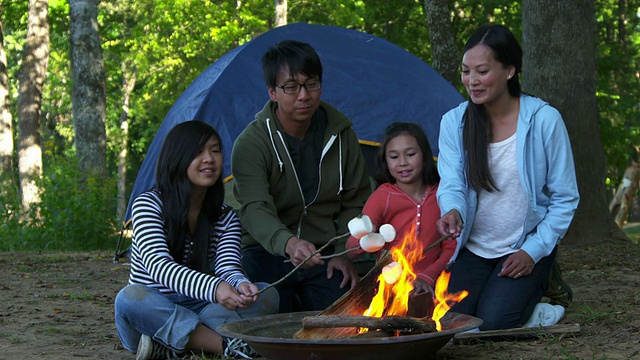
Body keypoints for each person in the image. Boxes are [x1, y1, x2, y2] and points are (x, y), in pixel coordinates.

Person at [436, 24, 580, 330]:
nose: (472, 81)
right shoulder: (454, 123)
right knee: (449, 322)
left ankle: (543, 293)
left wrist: (533, 250)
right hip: (475, 248)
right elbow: (452, 185)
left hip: (525, 246)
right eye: (465, 72)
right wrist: (452, 210)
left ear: (510, 70)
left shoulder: (544, 120)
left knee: (495, 322)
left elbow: (565, 197)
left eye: (482, 71)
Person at [114, 121, 279, 360]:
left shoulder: (225, 217)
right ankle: (226, 346)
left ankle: (173, 346)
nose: (209, 159)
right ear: (178, 158)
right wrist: (214, 289)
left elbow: (228, 266)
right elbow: (159, 267)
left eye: (214, 150)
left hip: (201, 305)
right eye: (198, 152)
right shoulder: (148, 205)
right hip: (154, 311)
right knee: (128, 299)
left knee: (267, 294)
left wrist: (240, 285)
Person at [231, 40, 372, 313]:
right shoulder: (252, 143)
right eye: (291, 87)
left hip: (324, 253)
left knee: (346, 320)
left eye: (311, 84)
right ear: (273, 92)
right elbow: (254, 208)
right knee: (266, 316)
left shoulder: (341, 135)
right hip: (267, 251)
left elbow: (356, 201)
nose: (303, 96)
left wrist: (344, 251)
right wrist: (288, 243)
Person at [346, 122, 457, 294]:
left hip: (439, 285)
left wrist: (427, 277)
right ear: (385, 160)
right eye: (394, 157)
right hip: (391, 289)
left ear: (425, 155)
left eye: (411, 154)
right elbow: (351, 250)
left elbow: (451, 247)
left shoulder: (443, 194)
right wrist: (365, 239)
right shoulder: (383, 197)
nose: (403, 163)